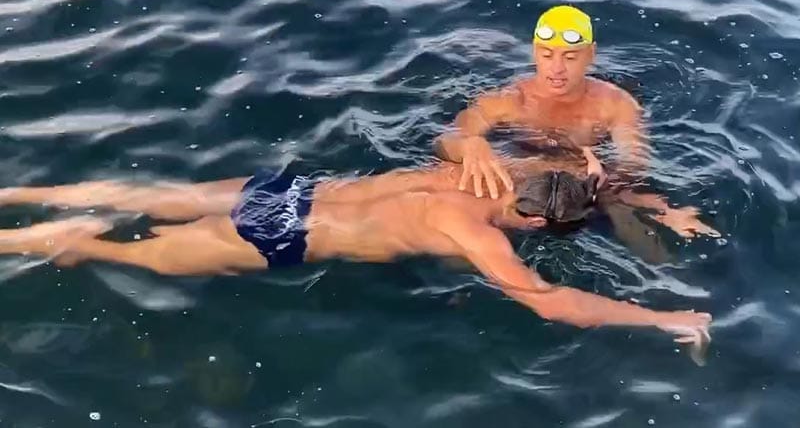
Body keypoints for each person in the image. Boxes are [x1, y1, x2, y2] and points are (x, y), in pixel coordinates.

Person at [0, 151, 711, 345]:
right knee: (120, 251)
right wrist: (662, 318)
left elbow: (576, 177)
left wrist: (613, 187)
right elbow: (552, 305)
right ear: (530, 222)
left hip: (289, 192)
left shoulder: (483, 169)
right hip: (288, 235)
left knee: (145, 198)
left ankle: (20, 195)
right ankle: (50, 241)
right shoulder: (475, 234)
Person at [435, 4, 649, 199]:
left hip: (585, 192)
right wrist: (468, 145)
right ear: (535, 52)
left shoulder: (616, 104)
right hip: (518, 181)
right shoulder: (508, 100)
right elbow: (445, 140)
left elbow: (634, 163)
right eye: (547, 56)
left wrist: (606, 177)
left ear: (590, 54)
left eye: (570, 58)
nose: (557, 68)